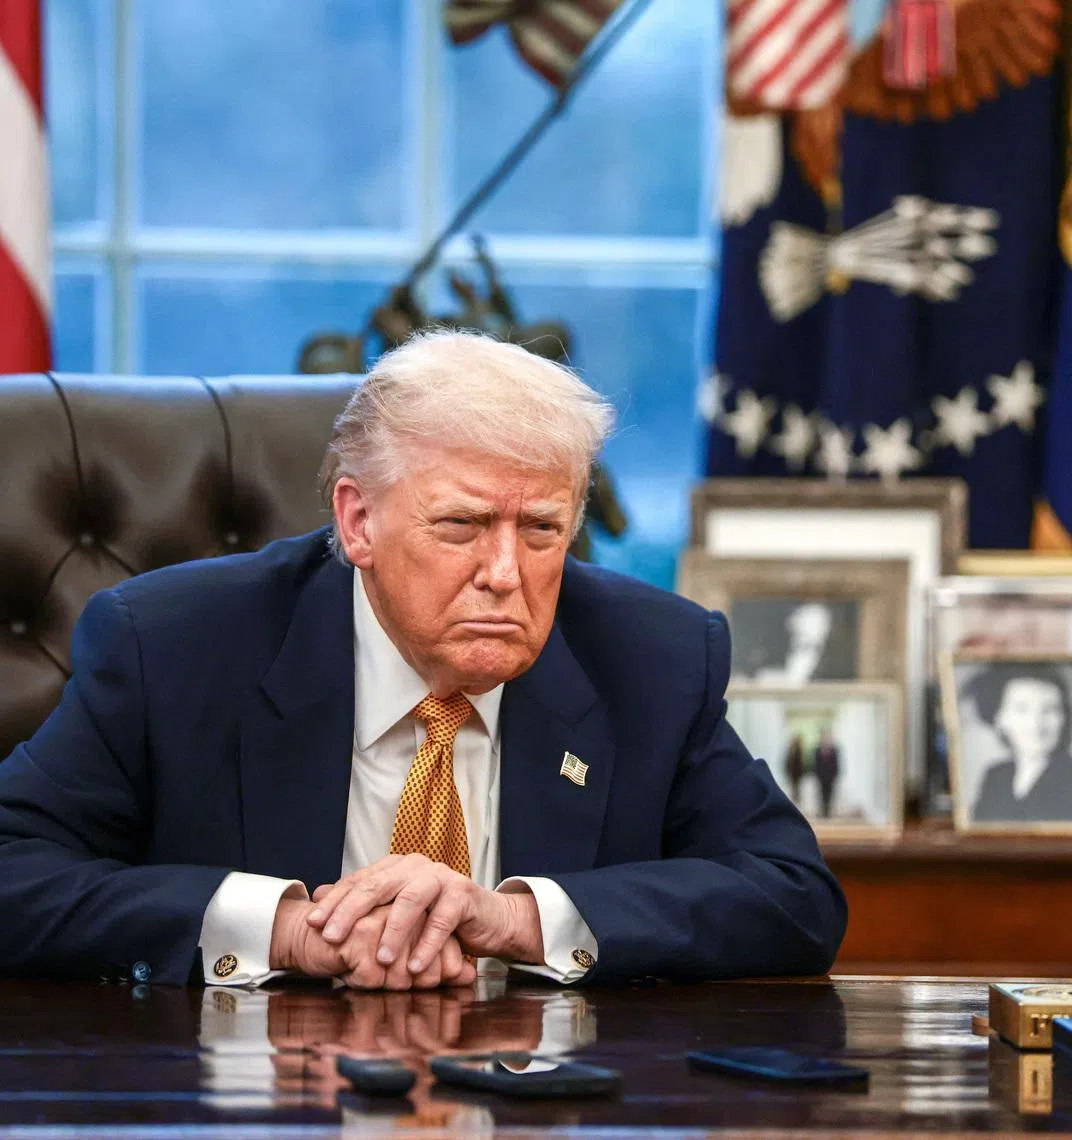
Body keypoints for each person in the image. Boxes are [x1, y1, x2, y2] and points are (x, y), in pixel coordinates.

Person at [0, 331, 846, 990]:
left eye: (543, 529)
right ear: (359, 523)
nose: (506, 574)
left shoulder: (651, 658)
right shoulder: (172, 645)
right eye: (463, 527)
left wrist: (516, 920)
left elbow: (793, 898)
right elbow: (14, 872)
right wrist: (283, 929)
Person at [966, 663, 1072, 824]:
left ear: (1064, 718)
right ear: (999, 718)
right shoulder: (995, 776)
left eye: (1050, 710)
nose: (1036, 723)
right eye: (1022, 709)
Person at [813, 731, 841, 819]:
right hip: (821, 776)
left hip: (830, 776)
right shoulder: (818, 750)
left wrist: (836, 774)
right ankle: (822, 811)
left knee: (829, 794)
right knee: (821, 794)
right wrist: (816, 774)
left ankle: (828, 811)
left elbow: (837, 763)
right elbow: (816, 764)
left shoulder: (834, 750)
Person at [784, 734, 805, 804]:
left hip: (797, 773)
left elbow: (801, 763)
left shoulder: (799, 750)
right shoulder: (790, 750)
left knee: (797, 787)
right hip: (791, 772)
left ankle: (797, 800)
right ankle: (794, 800)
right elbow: (788, 762)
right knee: (793, 787)